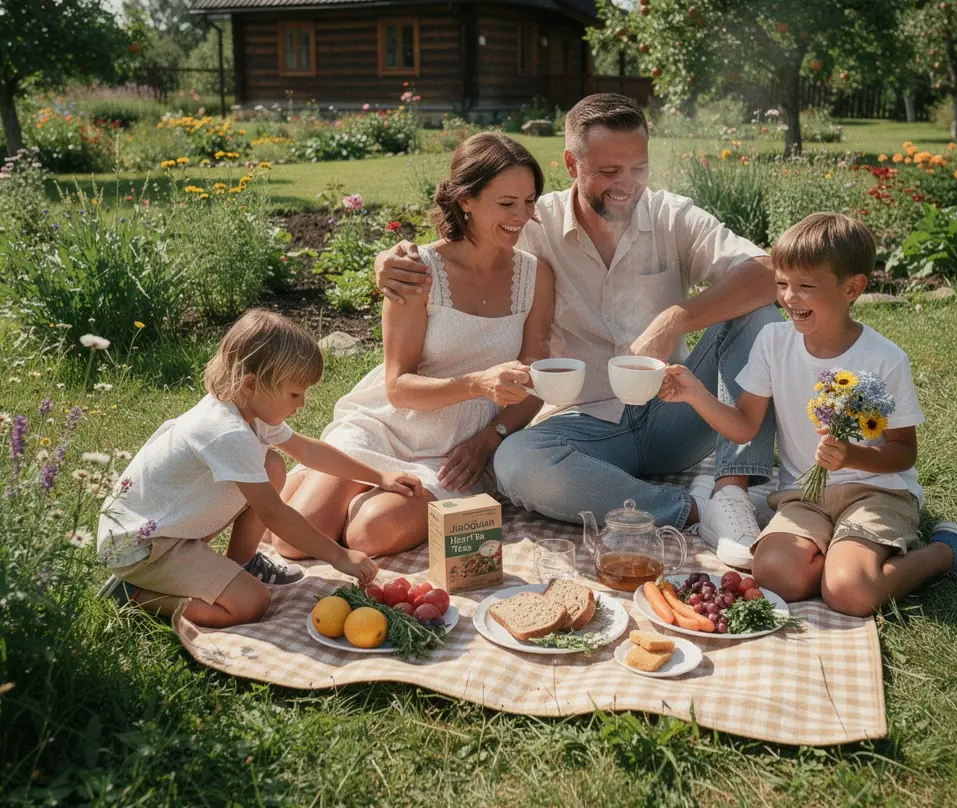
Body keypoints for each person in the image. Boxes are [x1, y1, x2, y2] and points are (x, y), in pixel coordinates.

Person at [375, 93, 780, 569]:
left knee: (759, 315)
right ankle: (692, 509)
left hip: (676, 412)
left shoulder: (672, 217)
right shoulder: (531, 221)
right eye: (609, 171)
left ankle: (732, 489)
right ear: (571, 163)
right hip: (584, 424)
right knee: (517, 463)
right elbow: (462, 244)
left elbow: (768, 272)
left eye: (638, 168)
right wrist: (389, 261)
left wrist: (676, 318)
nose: (627, 185)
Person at [658, 212, 957, 615]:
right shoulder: (772, 342)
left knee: (849, 593)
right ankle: (844, 554)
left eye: (805, 287)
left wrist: (852, 455)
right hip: (806, 496)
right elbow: (744, 427)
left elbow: (904, 452)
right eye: (782, 284)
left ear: (852, 288)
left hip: (877, 492)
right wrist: (695, 394)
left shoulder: (884, 359)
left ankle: (944, 553)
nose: (789, 298)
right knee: (774, 575)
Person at [274, 132, 554, 560]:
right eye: (506, 203)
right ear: (465, 200)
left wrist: (490, 439)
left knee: (370, 533)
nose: (522, 216)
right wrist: (479, 383)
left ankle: (331, 493)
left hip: (458, 450)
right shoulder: (415, 271)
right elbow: (397, 388)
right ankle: (336, 486)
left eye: (529, 201)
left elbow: (535, 379)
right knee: (294, 541)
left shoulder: (536, 276)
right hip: (389, 425)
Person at [96, 310, 421, 629]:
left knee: (272, 465)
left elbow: (309, 451)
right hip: (142, 548)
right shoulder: (227, 433)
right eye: (295, 393)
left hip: (170, 528)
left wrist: (379, 476)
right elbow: (274, 514)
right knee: (250, 603)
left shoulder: (248, 409)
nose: (302, 404)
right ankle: (132, 594)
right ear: (252, 384)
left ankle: (241, 563)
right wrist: (338, 556)